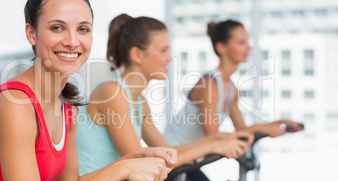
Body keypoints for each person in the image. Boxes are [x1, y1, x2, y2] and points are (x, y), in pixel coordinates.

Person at [0, 0, 177, 180]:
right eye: (57, 28)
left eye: (83, 29)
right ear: (32, 33)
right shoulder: (16, 105)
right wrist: (122, 168)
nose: (73, 41)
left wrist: (129, 161)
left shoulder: (66, 107)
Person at [76, 14, 254, 178]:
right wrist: (210, 145)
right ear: (137, 54)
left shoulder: (140, 101)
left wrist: (217, 140)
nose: (169, 58)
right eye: (163, 50)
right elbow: (141, 161)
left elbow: (166, 151)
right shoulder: (112, 92)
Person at [163, 20, 305, 180]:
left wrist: (275, 124)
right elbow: (212, 136)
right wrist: (261, 128)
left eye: (247, 41)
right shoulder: (210, 84)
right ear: (221, 47)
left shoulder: (230, 88)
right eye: (241, 42)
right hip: (172, 159)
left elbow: (241, 129)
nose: (249, 47)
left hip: (190, 161)